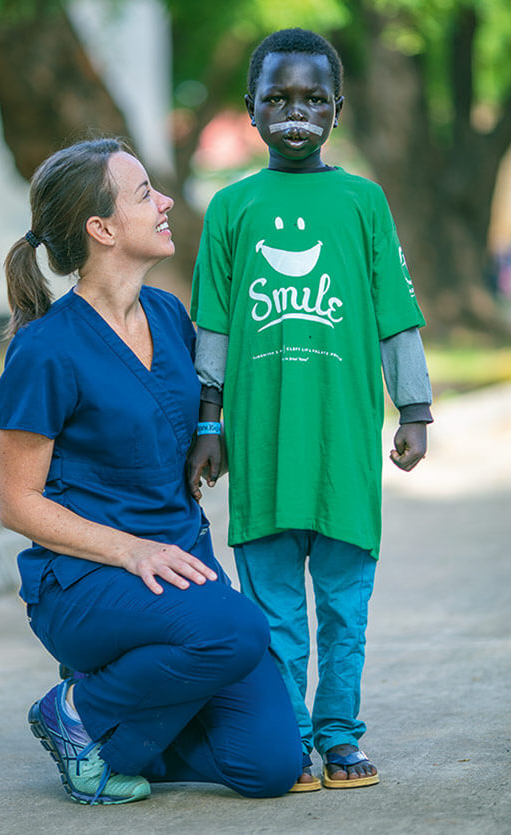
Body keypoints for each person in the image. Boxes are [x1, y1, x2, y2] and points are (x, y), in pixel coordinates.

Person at [0, 138, 303, 806]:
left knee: (272, 763)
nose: (164, 203)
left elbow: (187, 417)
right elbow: (17, 503)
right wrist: (130, 549)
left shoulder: (167, 313)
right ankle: (75, 711)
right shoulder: (47, 349)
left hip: (181, 569)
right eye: (143, 195)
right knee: (239, 630)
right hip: (87, 579)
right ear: (101, 229)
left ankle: (118, 734)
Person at [188, 28, 433, 791]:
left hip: (343, 449)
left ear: (338, 109)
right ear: (253, 112)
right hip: (260, 447)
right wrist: (208, 422)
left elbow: (396, 312)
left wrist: (415, 407)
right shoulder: (231, 208)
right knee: (275, 617)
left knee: (343, 610)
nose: (296, 113)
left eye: (313, 100)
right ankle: (291, 737)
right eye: (278, 99)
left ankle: (340, 734)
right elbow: (215, 325)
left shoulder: (363, 201)